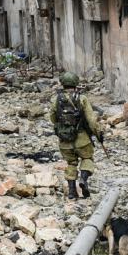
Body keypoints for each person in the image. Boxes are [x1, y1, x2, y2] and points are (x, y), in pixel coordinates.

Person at [49, 72, 103, 200]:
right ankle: (83, 179)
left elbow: (52, 118)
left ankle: (72, 192)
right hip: (82, 139)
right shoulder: (82, 98)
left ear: (63, 83)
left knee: (71, 163)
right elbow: (91, 120)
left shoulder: (56, 99)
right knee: (87, 159)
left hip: (65, 140)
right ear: (76, 83)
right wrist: (98, 134)